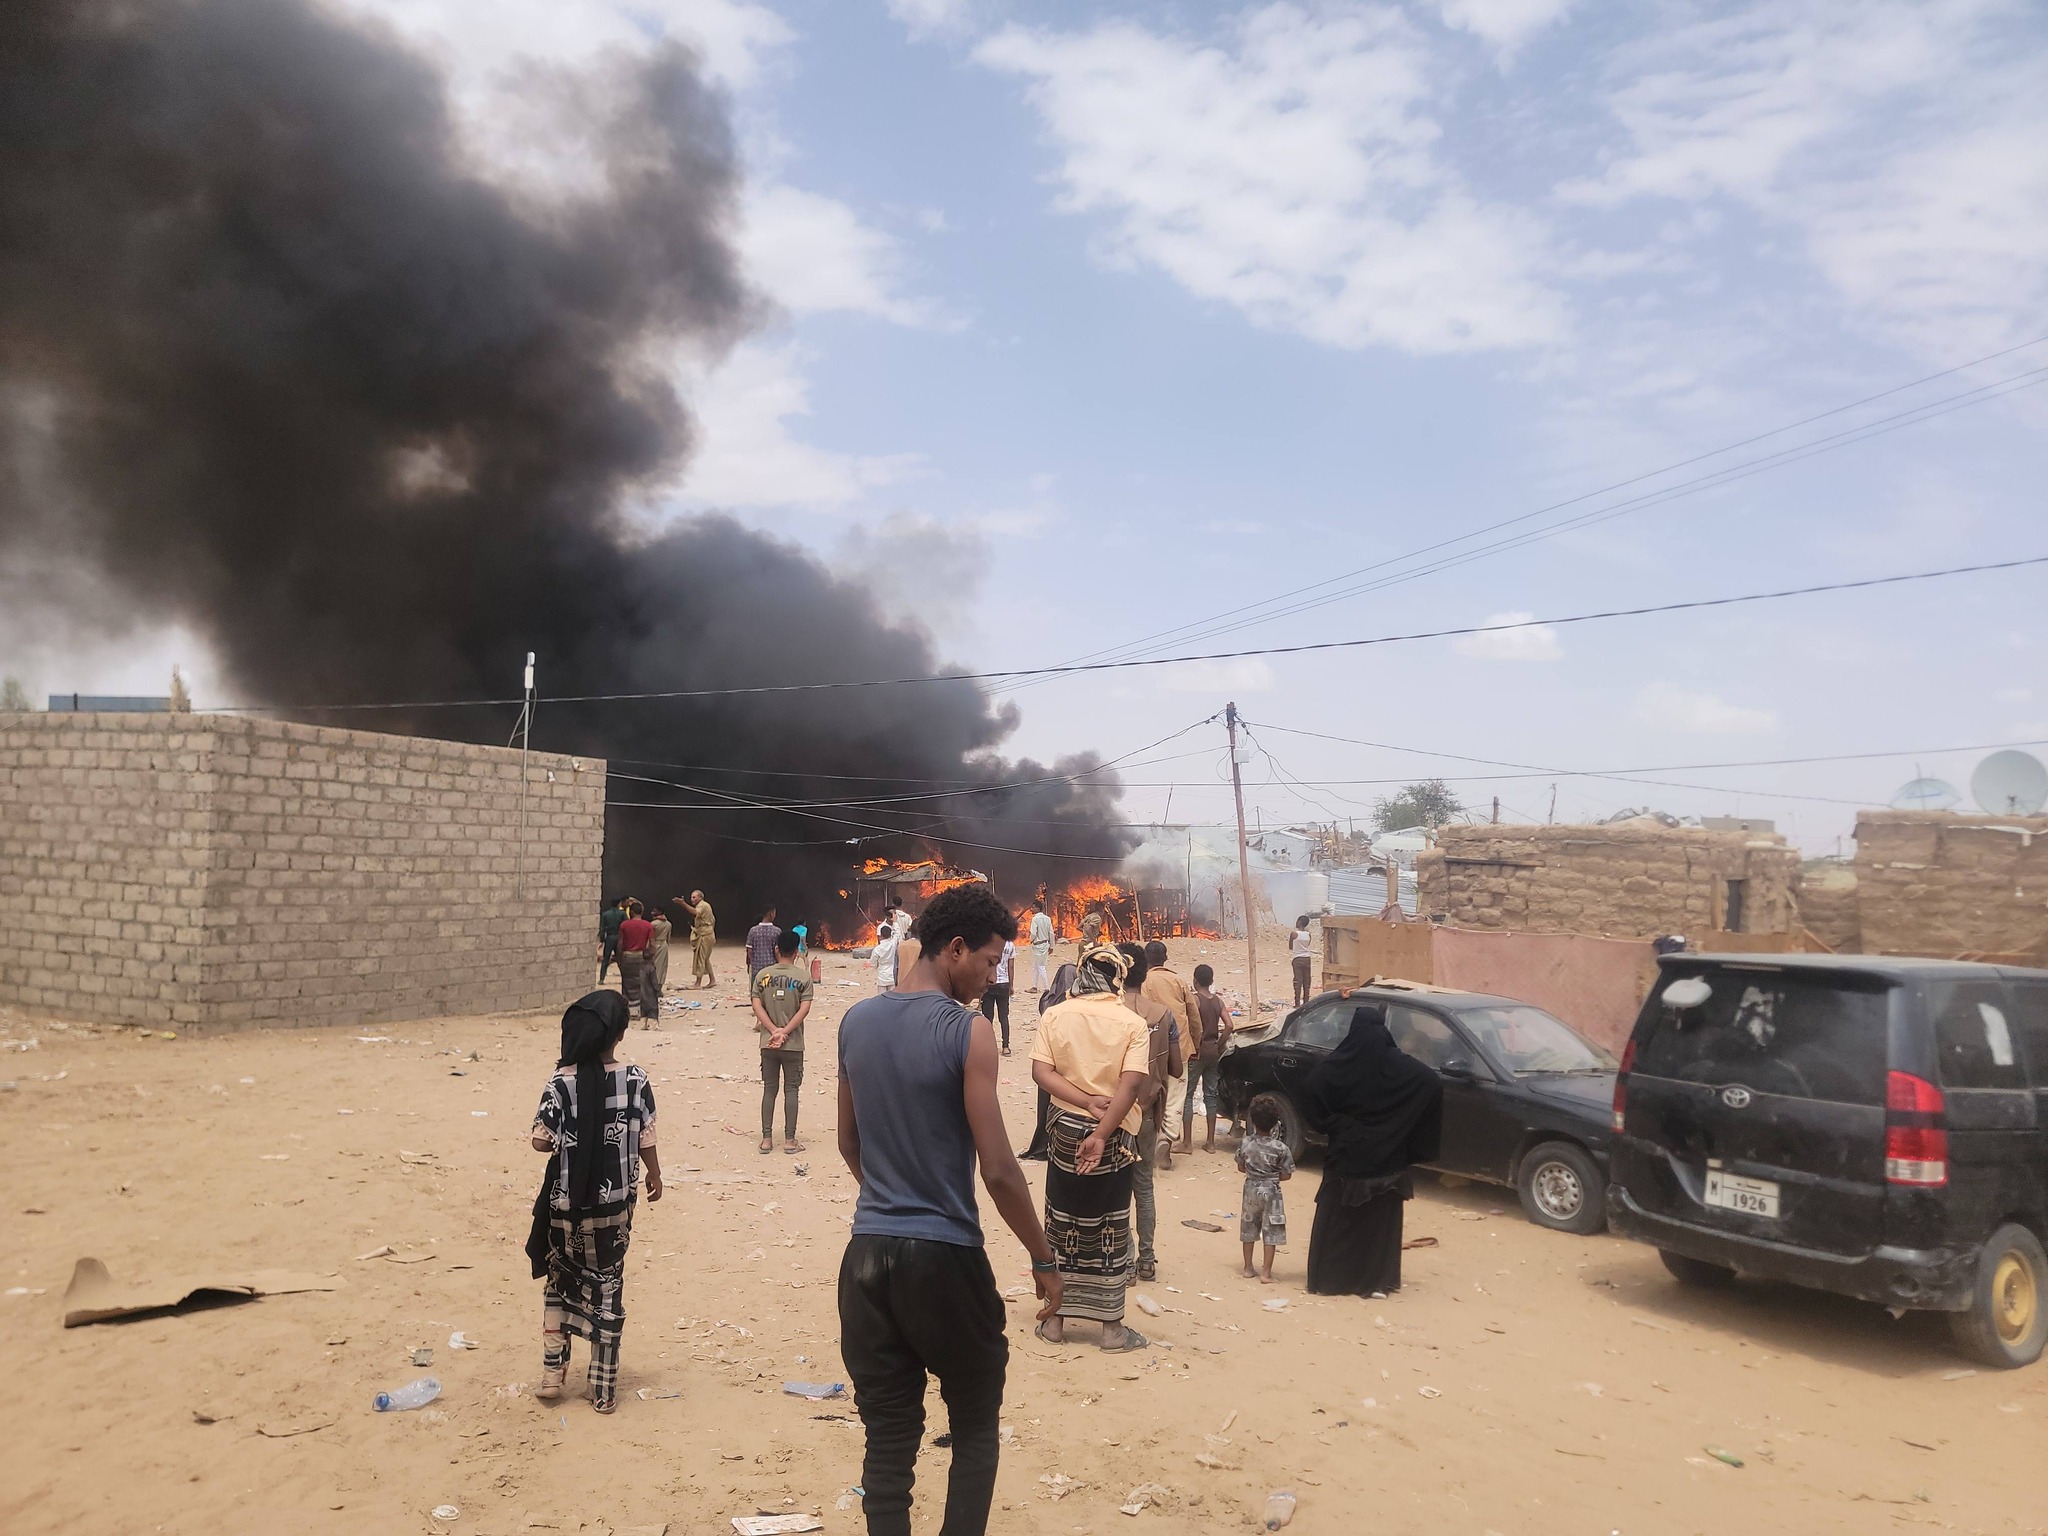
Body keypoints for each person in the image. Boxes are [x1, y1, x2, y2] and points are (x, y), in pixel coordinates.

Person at [836, 883, 1058, 1536]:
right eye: (988, 961)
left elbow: (849, 1143)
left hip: (865, 1259)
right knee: (975, 1425)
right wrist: (1043, 1257)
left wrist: (890, 1194)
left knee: (889, 1438)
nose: (991, 977)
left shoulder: (855, 1022)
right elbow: (999, 1169)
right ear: (954, 949)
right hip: (945, 1259)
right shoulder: (968, 1031)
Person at [527, 991, 660, 1414]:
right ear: (619, 1034)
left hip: (565, 1207)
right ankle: (601, 1388)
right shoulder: (636, 1079)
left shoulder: (560, 1082)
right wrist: (655, 1174)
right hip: (614, 1210)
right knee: (608, 1285)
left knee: (558, 1283)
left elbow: (540, 1141)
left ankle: (552, 1376)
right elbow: (646, 1137)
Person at [1030, 943, 1151, 1349]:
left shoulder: (1055, 1015)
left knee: (1060, 1221)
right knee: (1110, 1225)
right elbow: (1130, 1087)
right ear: (1118, 978)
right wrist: (1100, 1134)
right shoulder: (1132, 1024)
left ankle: (1054, 1322)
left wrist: (1083, 1102)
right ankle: (1111, 1330)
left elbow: (1041, 1072)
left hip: (1063, 1131)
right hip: (1115, 1135)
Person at [1303, 1003, 1444, 1298]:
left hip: (1347, 1158)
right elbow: (1431, 1082)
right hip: (1387, 1163)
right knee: (1380, 1227)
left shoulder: (1338, 1065)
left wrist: (1334, 1124)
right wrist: (1403, 1130)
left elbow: (1312, 1087)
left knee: (1339, 1222)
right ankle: (1377, 1282)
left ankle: (1332, 1281)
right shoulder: (1402, 1068)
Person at [1118, 942, 1182, 1270]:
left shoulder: (1110, 1013)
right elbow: (1177, 1069)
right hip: (1146, 1113)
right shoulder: (1162, 1014)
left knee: (1116, 1191)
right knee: (1144, 1187)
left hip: (1113, 1115)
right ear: (1144, 975)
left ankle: (1126, 1261)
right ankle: (1146, 1260)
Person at [752, 929, 813, 1154]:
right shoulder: (803, 977)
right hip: (793, 1044)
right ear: (797, 951)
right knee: (791, 1090)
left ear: (776, 949)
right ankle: (789, 1140)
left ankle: (766, 1140)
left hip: (768, 1043)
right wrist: (785, 1032)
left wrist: (773, 1031)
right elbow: (804, 1009)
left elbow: (756, 1005)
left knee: (769, 1090)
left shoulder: (762, 976)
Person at [1017, 962, 1077, 1162]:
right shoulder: (1080, 1005)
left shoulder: (1048, 1001)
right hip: (1069, 1063)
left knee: (1046, 1105)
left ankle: (1043, 1144)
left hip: (1048, 1061)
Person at [1140, 940, 1195, 1162]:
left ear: (1146, 960)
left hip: (1151, 1048)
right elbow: (1193, 1015)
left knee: (1152, 1093)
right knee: (1175, 1095)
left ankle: (1152, 1139)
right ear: (1165, 958)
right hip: (1179, 1048)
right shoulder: (1178, 981)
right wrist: (1194, 1044)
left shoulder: (1143, 982)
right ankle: (1167, 1137)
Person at [1236, 1098, 1294, 1283]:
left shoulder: (1245, 1143)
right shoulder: (1281, 1148)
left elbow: (1241, 1167)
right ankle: (1266, 1273)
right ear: (1276, 1122)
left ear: (1252, 1121)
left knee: (1248, 1227)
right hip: (1272, 1192)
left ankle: (1247, 1268)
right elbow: (1287, 1174)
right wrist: (1272, 1177)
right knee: (1272, 1231)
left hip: (1250, 1189)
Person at [1181, 963, 1232, 1153]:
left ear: (1195, 981)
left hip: (1197, 1052)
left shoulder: (1195, 1000)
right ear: (1211, 980)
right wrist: (1219, 1044)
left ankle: (1187, 1143)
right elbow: (1229, 1025)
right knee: (1210, 1095)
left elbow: (1191, 1024)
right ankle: (1210, 1142)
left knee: (1187, 1095)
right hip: (1213, 1052)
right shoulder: (1217, 1001)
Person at [617, 900, 656, 1021]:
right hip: (641, 956)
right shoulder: (648, 925)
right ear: (642, 912)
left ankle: (627, 1011)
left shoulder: (624, 925)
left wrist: (619, 958)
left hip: (627, 956)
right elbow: (652, 944)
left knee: (627, 983)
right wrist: (651, 958)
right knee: (642, 983)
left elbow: (620, 943)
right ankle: (640, 1011)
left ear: (631, 912)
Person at [979, 936, 1015, 1055]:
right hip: (1004, 983)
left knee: (988, 1017)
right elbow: (1010, 966)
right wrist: (1011, 985)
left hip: (990, 982)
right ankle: (1005, 1046)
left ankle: (987, 1046)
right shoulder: (1010, 944)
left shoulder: (988, 942)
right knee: (1003, 1017)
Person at [672, 891, 717, 988]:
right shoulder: (705, 905)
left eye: (694, 897)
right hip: (707, 933)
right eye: (691, 897)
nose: (692, 899)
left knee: (700, 958)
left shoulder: (702, 905)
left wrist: (683, 904)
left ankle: (698, 983)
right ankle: (712, 980)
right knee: (705, 958)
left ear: (700, 897)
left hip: (704, 935)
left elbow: (695, 912)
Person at [745, 906, 781, 983]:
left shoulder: (753, 931)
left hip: (756, 969)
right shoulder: (777, 931)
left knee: (756, 989)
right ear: (771, 914)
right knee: (770, 989)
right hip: (771, 969)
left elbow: (749, 951)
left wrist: (751, 964)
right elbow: (777, 952)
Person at [596, 898, 626, 983]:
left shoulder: (606, 914)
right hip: (619, 938)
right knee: (620, 960)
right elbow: (626, 926)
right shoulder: (622, 914)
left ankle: (601, 979)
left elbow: (602, 928)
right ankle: (625, 978)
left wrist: (602, 939)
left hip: (609, 938)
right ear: (619, 904)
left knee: (605, 959)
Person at [1027, 899, 1054, 990]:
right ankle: (1034, 987)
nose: (1031, 909)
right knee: (1035, 966)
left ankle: (1047, 988)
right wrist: (1052, 946)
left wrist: (1030, 940)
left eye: (1033, 907)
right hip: (1045, 944)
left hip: (1037, 945)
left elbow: (1033, 933)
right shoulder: (1048, 919)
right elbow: (1051, 933)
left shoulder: (1035, 919)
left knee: (1041, 967)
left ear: (1038, 909)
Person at [1290, 914, 1315, 1007]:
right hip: (1307, 958)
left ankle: (1297, 1003)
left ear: (1299, 922)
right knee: (1306, 981)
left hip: (1297, 958)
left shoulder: (1294, 934)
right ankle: (1306, 1002)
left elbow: (1291, 947)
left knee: (1298, 981)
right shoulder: (1308, 935)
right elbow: (1307, 945)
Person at [647, 907, 671, 1001]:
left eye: (654, 911)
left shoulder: (653, 924)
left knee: (653, 966)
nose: (652, 912)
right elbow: (668, 938)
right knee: (662, 968)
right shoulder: (668, 924)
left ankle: (652, 988)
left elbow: (650, 938)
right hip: (663, 945)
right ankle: (659, 988)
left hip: (655, 945)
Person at [870, 923, 899, 992]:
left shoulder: (877, 949)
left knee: (881, 996)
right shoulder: (893, 944)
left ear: (881, 935)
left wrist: (877, 967)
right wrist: (895, 922)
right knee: (892, 996)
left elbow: (873, 963)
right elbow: (898, 934)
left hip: (882, 976)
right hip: (892, 975)